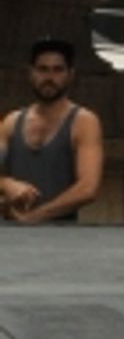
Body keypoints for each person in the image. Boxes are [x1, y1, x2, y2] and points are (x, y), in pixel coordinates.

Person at [0, 40, 105, 224]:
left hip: (60, 238)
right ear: (31, 73)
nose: (50, 77)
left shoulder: (84, 122)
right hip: (11, 234)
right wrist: (6, 184)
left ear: (70, 74)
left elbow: (88, 187)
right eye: (43, 69)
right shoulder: (12, 121)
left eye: (58, 70)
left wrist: (36, 216)